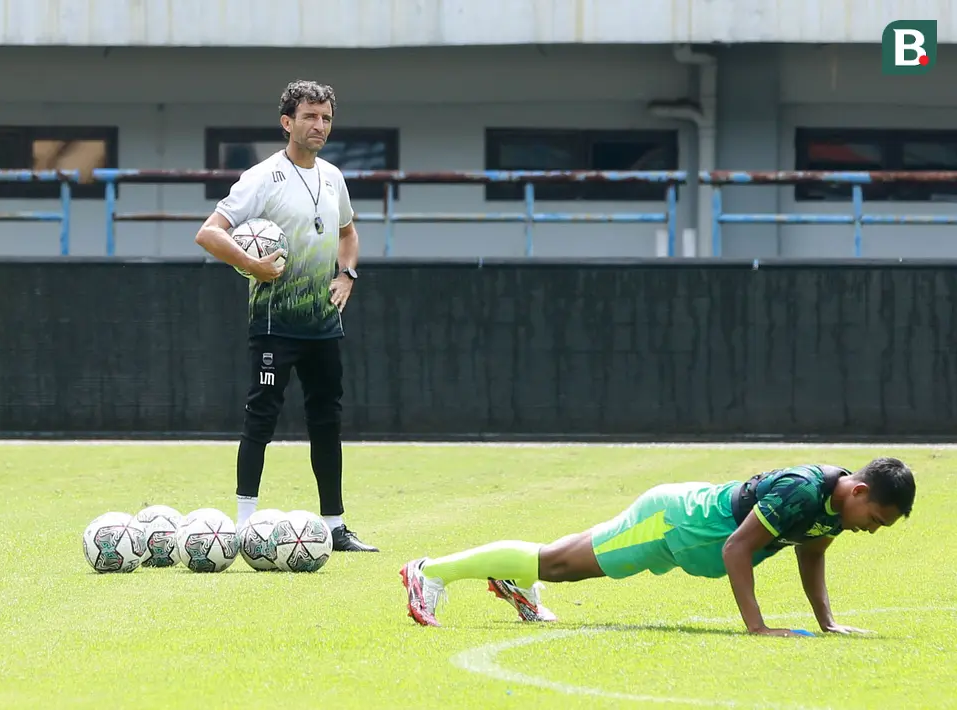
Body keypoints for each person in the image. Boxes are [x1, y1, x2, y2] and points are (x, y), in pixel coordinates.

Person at [400, 457, 915, 634]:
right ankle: (430, 570)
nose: (870, 530)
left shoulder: (832, 513)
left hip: (681, 533)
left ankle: (513, 581)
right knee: (557, 564)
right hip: (673, 524)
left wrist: (826, 620)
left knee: (562, 562)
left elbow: (812, 551)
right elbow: (737, 549)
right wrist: (757, 627)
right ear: (860, 491)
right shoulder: (805, 490)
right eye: (874, 519)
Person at [193, 79, 377, 553]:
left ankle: (335, 527)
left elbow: (348, 234)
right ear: (287, 122)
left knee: (326, 423)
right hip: (275, 326)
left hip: (323, 325)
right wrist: (251, 265)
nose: (319, 126)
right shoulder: (261, 177)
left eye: (326, 118)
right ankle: (243, 527)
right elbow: (209, 233)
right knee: (261, 419)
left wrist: (347, 275)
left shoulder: (333, 176)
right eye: (310, 117)